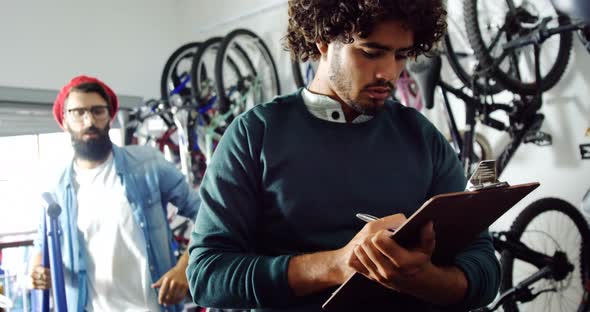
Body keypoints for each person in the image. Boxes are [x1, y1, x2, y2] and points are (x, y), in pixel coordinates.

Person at [187, 0, 500, 311]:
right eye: (370, 52)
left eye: (401, 55)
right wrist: (338, 265)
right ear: (323, 40)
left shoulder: (422, 136)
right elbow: (206, 275)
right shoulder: (255, 134)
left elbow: (483, 267)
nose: (389, 73)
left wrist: (420, 278)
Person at [28, 75, 201, 312]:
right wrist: (37, 270)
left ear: (110, 116)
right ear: (64, 120)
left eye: (97, 110)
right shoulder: (55, 187)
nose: (89, 120)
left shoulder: (147, 164)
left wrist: (185, 267)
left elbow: (205, 214)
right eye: (78, 112)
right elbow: (42, 244)